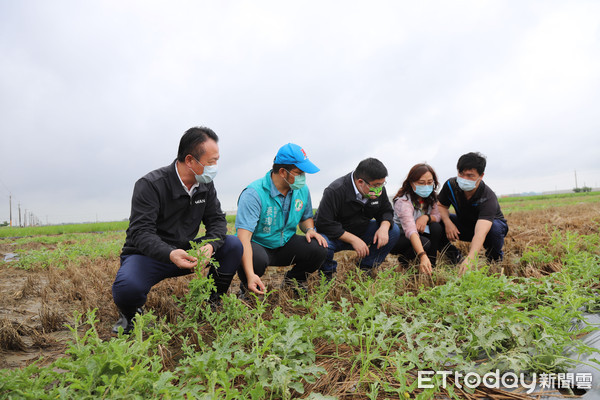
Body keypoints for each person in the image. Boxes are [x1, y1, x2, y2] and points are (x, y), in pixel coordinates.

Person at [111, 127, 243, 334]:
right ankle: (130, 316)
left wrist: (209, 246)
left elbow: (217, 221)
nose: (215, 167)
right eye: (211, 162)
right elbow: (140, 233)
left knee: (233, 244)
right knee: (127, 289)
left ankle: (214, 302)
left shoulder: (205, 185)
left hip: (186, 252)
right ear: (190, 160)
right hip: (149, 255)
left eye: (217, 160)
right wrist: (170, 253)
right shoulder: (151, 185)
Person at [235, 143, 328, 296]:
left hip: (285, 243)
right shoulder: (254, 194)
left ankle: (293, 281)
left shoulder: (301, 190)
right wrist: (250, 274)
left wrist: (310, 229)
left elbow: (306, 217)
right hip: (259, 245)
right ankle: (246, 288)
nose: (303, 178)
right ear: (283, 172)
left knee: (319, 248)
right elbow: (243, 238)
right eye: (299, 173)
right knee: (255, 258)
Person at [315, 158, 400, 278]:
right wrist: (353, 239)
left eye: (382, 184)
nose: (379, 188)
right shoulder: (335, 191)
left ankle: (366, 268)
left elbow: (386, 211)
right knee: (321, 245)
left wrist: (384, 228)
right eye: (376, 185)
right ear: (360, 182)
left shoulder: (378, 190)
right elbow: (324, 223)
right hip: (334, 237)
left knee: (393, 230)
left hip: (361, 230)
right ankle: (327, 275)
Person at [437, 152, 508, 274]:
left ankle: (494, 260)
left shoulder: (488, 197)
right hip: (465, 224)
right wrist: (448, 223)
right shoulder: (451, 185)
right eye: (461, 174)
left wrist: (471, 257)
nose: (464, 179)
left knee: (494, 230)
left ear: (481, 176)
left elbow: (481, 231)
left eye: (470, 176)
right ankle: (455, 257)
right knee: (436, 223)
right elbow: (441, 205)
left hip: (488, 228)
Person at [390, 163, 443, 275]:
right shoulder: (403, 202)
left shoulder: (431, 198)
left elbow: (437, 216)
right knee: (424, 243)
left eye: (429, 183)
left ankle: (432, 265)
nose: (426, 186)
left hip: (417, 234)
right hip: (399, 238)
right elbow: (410, 230)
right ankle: (405, 260)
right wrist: (422, 255)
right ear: (411, 183)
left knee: (436, 227)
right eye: (421, 183)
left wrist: (426, 217)